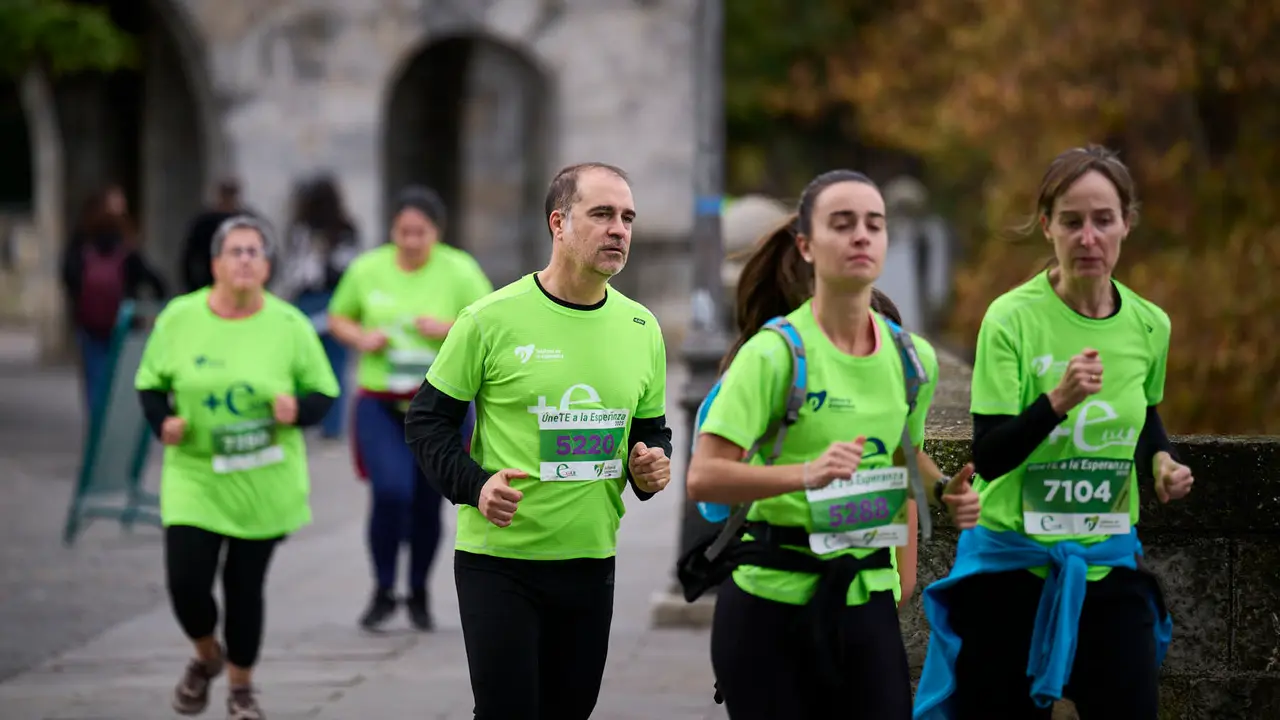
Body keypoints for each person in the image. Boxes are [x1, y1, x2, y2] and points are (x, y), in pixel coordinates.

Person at [684, 169, 982, 720]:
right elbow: (705, 476)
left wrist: (944, 491)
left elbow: (902, 454)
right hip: (772, 603)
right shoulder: (773, 355)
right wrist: (804, 474)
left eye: (874, 224)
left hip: (864, 599)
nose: (861, 236)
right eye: (842, 224)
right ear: (806, 245)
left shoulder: (913, 359)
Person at [913, 145, 1193, 720]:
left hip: (1107, 561)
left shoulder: (1149, 324)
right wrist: (1059, 401)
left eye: (1103, 220)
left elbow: (1143, 416)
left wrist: (1161, 462)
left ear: (1126, 224)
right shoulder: (1011, 319)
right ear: (1047, 227)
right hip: (1012, 565)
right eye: (1072, 221)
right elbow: (989, 457)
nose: (1088, 237)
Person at [404, 162, 674, 720]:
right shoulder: (488, 320)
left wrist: (651, 465)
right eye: (601, 214)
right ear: (559, 222)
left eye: (626, 217)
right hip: (500, 563)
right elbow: (427, 422)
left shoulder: (642, 328)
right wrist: (476, 487)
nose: (618, 229)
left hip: (591, 558)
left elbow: (649, 429)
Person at [134, 215, 339, 720]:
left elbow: (324, 394)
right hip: (196, 475)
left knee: (244, 587)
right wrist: (164, 423)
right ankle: (208, 656)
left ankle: (242, 690)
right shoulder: (179, 318)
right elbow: (150, 383)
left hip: (263, 476)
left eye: (255, 252)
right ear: (215, 265)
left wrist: (299, 410)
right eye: (236, 252)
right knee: (186, 582)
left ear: (267, 267)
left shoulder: (288, 324)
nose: (245, 260)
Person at [328, 185, 493, 631]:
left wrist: (448, 329)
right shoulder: (367, 269)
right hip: (381, 402)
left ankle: (418, 590)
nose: (412, 241)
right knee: (391, 492)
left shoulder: (460, 270)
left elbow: (490, 324)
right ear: (392, 230)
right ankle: (383, 587)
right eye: (404, 231)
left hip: (441, 408)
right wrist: (361, 338)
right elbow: (337, 316)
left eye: (421, 233)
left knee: (427, 503)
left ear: (436, 233)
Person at [61, 184, 167, 413]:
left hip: (89, 322)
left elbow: (69, 274)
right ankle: (115, 421)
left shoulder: (83, 238)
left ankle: (97, 426)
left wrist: (79, 302)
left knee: (95, 376)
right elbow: (151, 278)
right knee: (122, 376)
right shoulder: (124, 240)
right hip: (123, 320)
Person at [275, 175, 362, 440]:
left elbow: (295, 272)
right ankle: (332, 425)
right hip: (337, 299)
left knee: (304, 364)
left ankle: (305, 418)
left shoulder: (301, 229)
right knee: (335, 365)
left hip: (310, 300)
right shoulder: (345, 228)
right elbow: (351, 267)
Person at [181, 178, 249, 292]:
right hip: (209, 284)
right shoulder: (204, 223)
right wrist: (194, 286)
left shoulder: (246, 221)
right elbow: (190, 257)